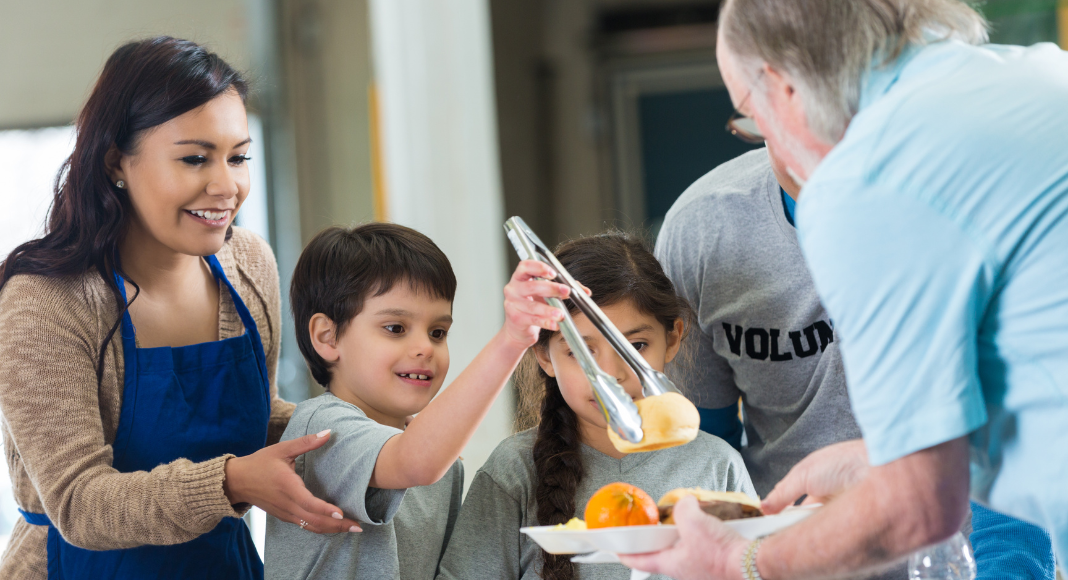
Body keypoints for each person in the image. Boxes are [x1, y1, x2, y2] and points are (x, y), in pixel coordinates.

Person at [620, 0, 1068, 578]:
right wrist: (876, 463)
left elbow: (919, 508)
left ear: (784, 91)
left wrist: (745, 561)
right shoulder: (1042, 75)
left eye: (752, 117)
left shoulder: (864, 181)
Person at [0, 37, 362, 579]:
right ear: (115, 161)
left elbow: (256, 417)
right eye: (195, 158)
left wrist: (361, 437)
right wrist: (233, 482)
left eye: (238, 157)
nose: (226, 185)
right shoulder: (44, 301)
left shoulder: (248, 264)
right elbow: (78, 502)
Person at [655, 145, 1057, 579]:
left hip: (958, 561)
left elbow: (1012, 451)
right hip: (794, 562)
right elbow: (708, 461)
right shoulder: (702, 231)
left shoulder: (971, 211)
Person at [435, 232, 756, 580]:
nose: (612, 375)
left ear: (673, 339)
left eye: (636, 345)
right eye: (582, 352)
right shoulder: (513, 472)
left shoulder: (716, 466)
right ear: (544, 355)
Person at [264, 223, 572, 579]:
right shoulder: (321, 429)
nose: (426, 347)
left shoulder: (444, 465)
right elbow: (415, 460)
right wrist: (512, 340)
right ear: (327, 336)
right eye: (395, 328)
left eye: (438, 332)